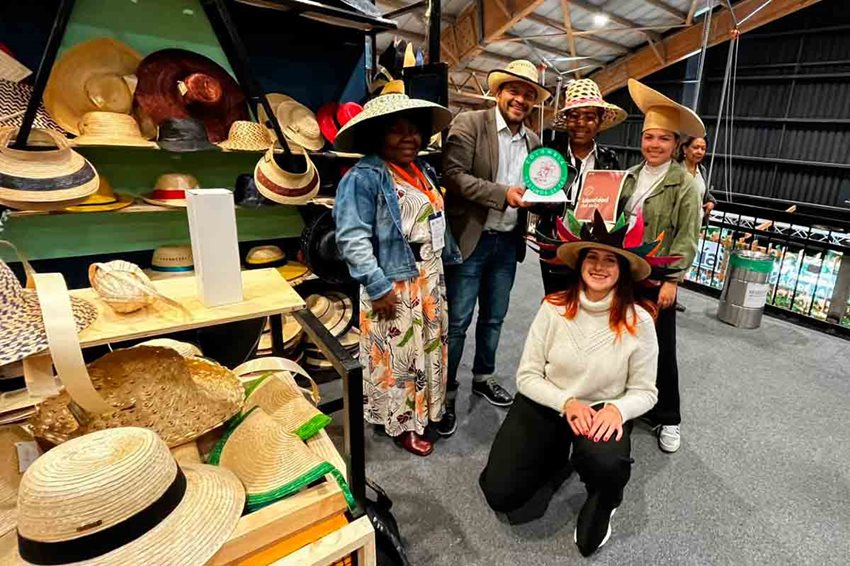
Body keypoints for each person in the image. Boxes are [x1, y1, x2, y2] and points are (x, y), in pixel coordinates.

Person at [479, 210, 664, 557]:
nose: (599, 266)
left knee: (607, 465)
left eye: (610, 260)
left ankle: (606, 500)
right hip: (552, 401)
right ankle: (555, 457)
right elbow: (527, 376)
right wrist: (565, 402)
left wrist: (618, 410)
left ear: (622, 269)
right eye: (591, 257)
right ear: (578, 264)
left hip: (600, 412)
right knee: (499, 492)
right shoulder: (553, 308)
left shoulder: (638, 320)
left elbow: (646, 391)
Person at [333, 81, 460, 456]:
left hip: (429, 278)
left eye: (415, 128)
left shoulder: (421, 169)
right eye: (397, 128)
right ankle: (402, 423)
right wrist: (376, 285)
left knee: (428, 348)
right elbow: (351, 238)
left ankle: (426, 410)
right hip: (395, 283)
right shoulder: (364, 176)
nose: (410, 136)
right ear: (377, 134)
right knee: (399, 356)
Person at [439, 59, 550, 437]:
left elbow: (538, 187)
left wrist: (539, 199)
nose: (520, 99)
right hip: (472, 238)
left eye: (528, 94)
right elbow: (452, 176)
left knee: (495, 317)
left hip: (507, 243)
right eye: (514, 91)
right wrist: (503, 195)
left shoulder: (535, 142)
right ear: (498, 92)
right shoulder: (470, 124)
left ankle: (483, 376)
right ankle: (446, 392)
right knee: (457, 322)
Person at [617, 79, 705, 454]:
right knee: (622, 341)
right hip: (625, 273)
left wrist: (673, 281)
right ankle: (627, 404)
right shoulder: (630, 177)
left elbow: (687, 235)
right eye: (649, 137)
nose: (654, 145)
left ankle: (669, 418)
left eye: (663, 139)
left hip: (657, 280)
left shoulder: (684, 185)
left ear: (675, 145)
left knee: (661, 348)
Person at [536, 79, 627, 295]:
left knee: (588, 303)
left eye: (589, 117)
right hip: (554, 245)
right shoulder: (550, 154)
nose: (581, 123)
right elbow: (535, 204)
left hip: (592, 249)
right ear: (566, 119)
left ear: (599, 121)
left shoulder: (609, 160)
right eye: (574, 116)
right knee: (556, 302)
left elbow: (613, 207)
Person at [677, 135, 717, 222]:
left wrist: (711, 202)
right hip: (676, 224)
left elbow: (703, 192)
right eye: (696, 147)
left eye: (703, 149)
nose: (700, 152)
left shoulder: (702, 170)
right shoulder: (675, 170)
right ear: (684, 149)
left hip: (696, 224)